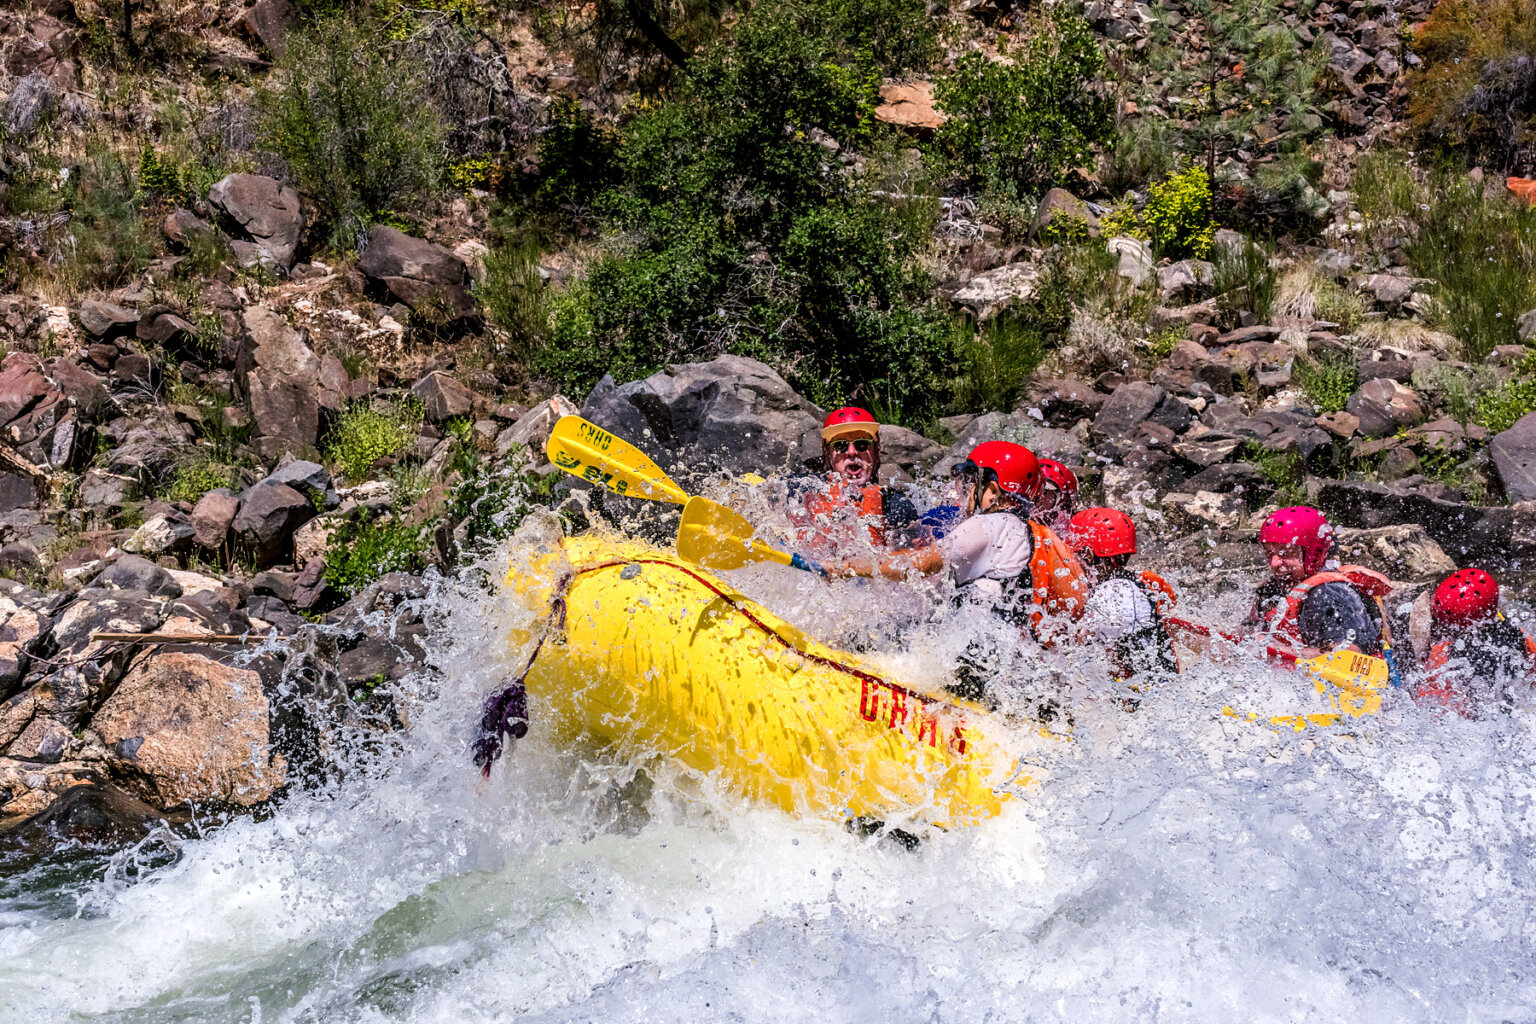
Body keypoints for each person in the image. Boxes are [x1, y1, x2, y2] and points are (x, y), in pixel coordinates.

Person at [823, 441, 1087, 643]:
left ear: (992, 491)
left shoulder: (990, 525)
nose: (964, 491)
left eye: (971, 482)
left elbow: (921, 565)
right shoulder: (1038, 535)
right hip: (1010, 661)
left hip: (978, 665)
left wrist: (847, 568)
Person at [1246, 505, 1393, 661]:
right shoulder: (1271, 591)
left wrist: (1276, 649)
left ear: (1314, 554)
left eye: (1286, 552)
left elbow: (1349, 655)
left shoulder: (1328, 594)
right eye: (1269, 552)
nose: (1274, 563)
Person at [788, 407, 919, 557]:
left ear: (876, 450)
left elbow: (917, 563)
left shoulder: (896, 506)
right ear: (827, 453)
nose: (852, 452)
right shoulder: (803, 489)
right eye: (840, 445)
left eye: (862, 444)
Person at [1066, 507, 1180, 680]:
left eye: (1073, 554)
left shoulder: (1109, 598)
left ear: (1088, 555)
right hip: (1161, 686)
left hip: (1137, 696)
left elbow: (1077, 649)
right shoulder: (1141, 584)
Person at [1414, 567, 1536, 716]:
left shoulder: (1442, 653)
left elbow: (1428, 703)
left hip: (1468, 722)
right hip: (1509, 715)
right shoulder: (1521, 636)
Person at [1034, 458, 1079, 536]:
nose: (1035, 495)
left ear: (1061, 501)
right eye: (1033, 488)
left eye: (1045, 491)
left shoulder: (1062, 528)